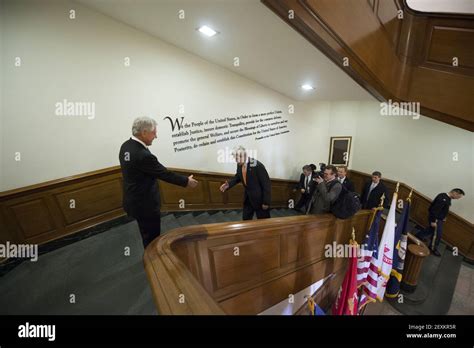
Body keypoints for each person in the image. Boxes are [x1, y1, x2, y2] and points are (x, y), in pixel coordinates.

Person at [119, 116, 198, 248]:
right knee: (151, 237)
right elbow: (164, 173)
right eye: (154, 132)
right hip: (145, 205)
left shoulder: (126, 146)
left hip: (133, 200)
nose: (156, 136)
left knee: (145, 231)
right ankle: (154, 262)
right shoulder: (142, 155)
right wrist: (186, 181)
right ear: (144, 132)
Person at [219, 146, 271, 220]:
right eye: (235, 158)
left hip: (259, 199)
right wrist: (229, 184)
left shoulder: (257, 165)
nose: (236, 161)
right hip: (248, 198)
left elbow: (266, 184)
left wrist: (266, 202)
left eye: (238, 158)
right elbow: (238, 176)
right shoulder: (239, 164)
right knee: (246, 219)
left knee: (264, 221)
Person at [415, 189, 465, 256]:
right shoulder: (442, 198)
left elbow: (444, 209)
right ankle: (433, 248)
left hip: (439, 218)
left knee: (431, 230)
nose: (458, 199)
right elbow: (434, 210)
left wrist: (444, 217)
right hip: (436, 219)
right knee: (438, 235)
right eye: (458, 197)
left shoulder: (447, 198)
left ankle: (419, 235)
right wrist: (433, 221)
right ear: (455, 193)